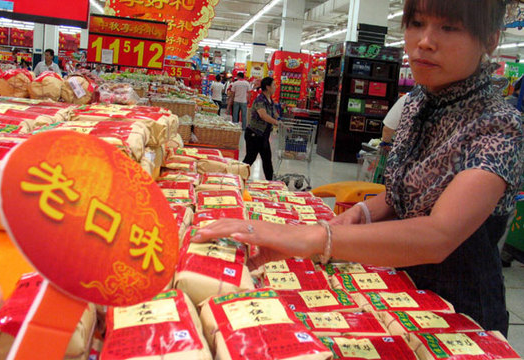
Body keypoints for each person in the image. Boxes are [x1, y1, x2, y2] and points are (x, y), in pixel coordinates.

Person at [193, 0, 523, 336]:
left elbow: (438, 235)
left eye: (449, 27)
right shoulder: (416, 104)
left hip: (462, 312)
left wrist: (314, 238)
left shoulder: (499, 125)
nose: (425, 40)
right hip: (398, 292)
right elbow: (403, 195)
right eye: (417, 23)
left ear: (491, 39)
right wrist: (360, 213)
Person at [243, 77, 279, 180]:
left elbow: (274, 113)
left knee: (267, 159)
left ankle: (270, 181)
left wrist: (281, 121)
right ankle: (238, 177)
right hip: (254, 134)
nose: (275, 87)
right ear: (267, 87)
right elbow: (263, 115)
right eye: (274, 85)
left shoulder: (269, 100)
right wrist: (276, 123)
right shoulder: (260, 100)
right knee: (250, 158)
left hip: (263, 135)